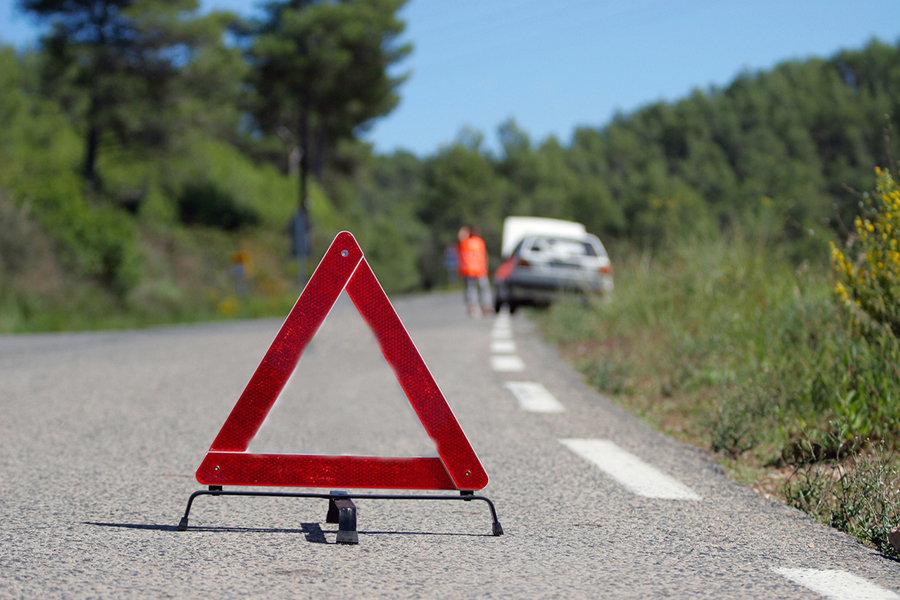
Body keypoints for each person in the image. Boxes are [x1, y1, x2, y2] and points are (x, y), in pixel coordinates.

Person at [457, 225, 493, 316]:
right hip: (473, 270)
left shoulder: (471, 242)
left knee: (478, 289)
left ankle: (483, 306)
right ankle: (476, 307)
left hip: (476, 270)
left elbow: (484, 255)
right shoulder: (467, 242)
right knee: (475, 289)